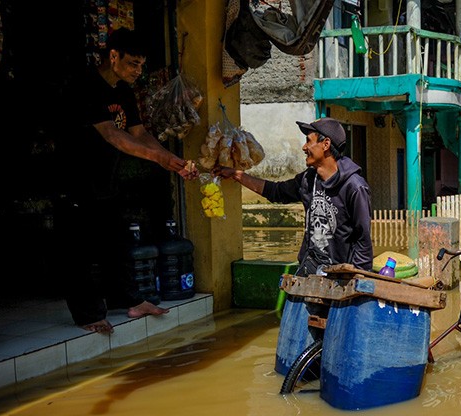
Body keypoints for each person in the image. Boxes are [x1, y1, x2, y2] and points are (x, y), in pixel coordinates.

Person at [58, 28, 198, 333]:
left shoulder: (122, 90)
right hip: (74, 179)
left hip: (106, 178)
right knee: (80, 249)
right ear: (113, 56)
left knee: (116, 242)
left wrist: (170, 161)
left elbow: (139, 133)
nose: (138, 71)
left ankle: (130, 302)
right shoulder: (86, 86)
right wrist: (159, 159)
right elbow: (113, 134)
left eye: (141, 65)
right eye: (133, 63)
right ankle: (88, 315)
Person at [215, 117, 373, 275]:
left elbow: (363, 240)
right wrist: (236, 175)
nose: (304, 147)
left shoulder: (354, 187)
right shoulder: (308, 179)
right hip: (309, 270)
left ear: (326, 144)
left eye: (308, 141)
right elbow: (276, 191)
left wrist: (355, 281)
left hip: (339, 277)